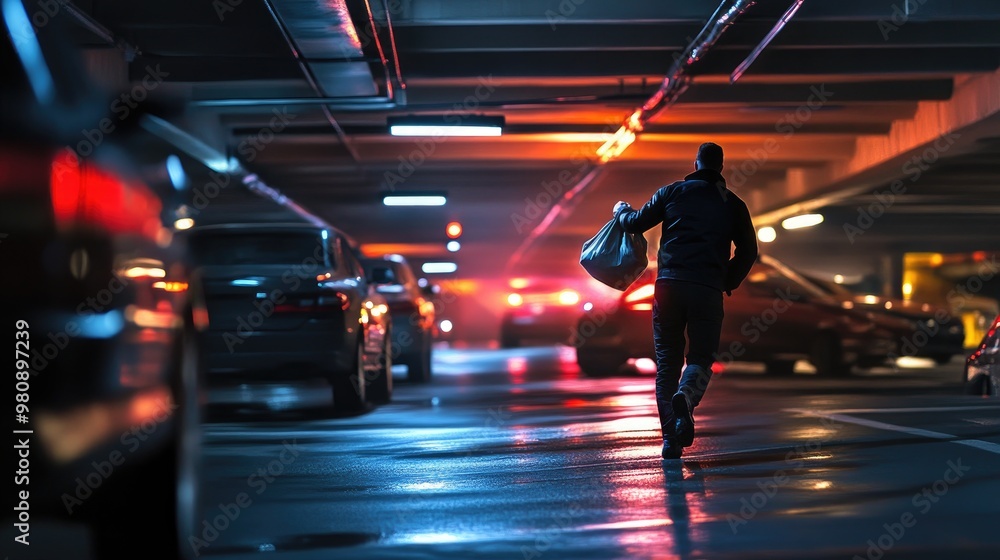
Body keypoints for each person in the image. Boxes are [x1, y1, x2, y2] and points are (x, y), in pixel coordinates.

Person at [613, 142, 757, 459]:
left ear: (695, 165)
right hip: (707, 289)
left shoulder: (671, 192)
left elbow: (635, 223)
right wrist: (727, 281)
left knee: (667, 365)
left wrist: (620, 211)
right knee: (701, 358)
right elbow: (749, 252)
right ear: (720, 168)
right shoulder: (734, 204)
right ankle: (687, 396)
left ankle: (671, 441)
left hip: (669, 287)